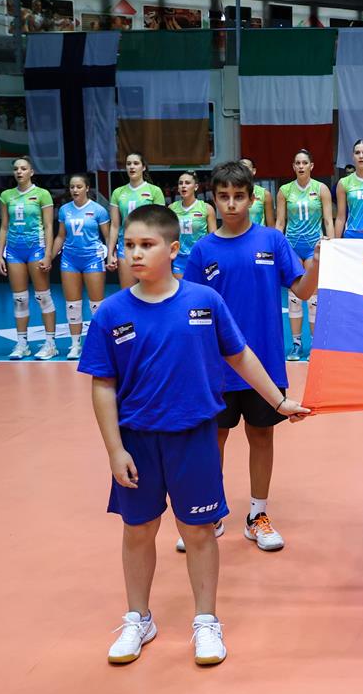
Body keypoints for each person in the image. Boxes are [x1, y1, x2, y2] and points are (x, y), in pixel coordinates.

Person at [80, 204, 308, 667]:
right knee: (138, 530)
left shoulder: (204, 301)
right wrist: (114, 449)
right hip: (138, 441)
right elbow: (102, 386)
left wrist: (278, 401)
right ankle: (138, 618)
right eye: (129, 245)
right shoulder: (112, 313)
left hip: (195, 437)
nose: (135, 254)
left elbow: (240, 355)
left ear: (173, 249)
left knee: (199, 531)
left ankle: (206, 621)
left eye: (147, 245)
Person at [183, 161, 320, 554]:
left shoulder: (272, 241)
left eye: (239, 196)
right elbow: (188, 308)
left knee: (261, 435)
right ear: (214, 199)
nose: (231, 204)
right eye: (224, 196)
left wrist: (316, 263)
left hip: (265, 364)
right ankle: (211, 512)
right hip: (216, 367)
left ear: (252, 198)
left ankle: (257, 516)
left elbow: (303, 291)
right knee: (214, 438)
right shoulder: (203, 250)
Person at [0, 157, 59, 360]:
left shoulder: (42, 194)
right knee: (19, 299)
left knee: (43, 297)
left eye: (23, 168)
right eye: (16, 169)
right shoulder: (6, 195)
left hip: (36, 249)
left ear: (31, 172)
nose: (19, 172)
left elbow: (49, 226)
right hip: (14, 250)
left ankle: (50, 344)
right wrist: (0, 254)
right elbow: (4, 226)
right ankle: (22, 344)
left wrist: (48, 254)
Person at [276, 149, 334, 361]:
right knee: (293, 298)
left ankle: (315, 346)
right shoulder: (284, 190)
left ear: (311, 166)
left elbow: (328, 220)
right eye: (297, 163)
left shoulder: (321, 189)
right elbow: (280, 222)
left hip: (313, 247)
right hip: (292, 247)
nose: (301, 166)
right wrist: (276, 247)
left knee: (313, 298)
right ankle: (296, 345)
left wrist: (331, 244)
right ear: (293, 167)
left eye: (304, 163)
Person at [50, 173, 110, 360]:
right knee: (72, 305)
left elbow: (108, 236)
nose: (75, 190)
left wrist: (111, 255)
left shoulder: (98, 210)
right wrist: (49, 257)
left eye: (78, 186)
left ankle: (99, 345)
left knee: (96, 306)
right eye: (72, 187)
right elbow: (61, 236)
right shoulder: (64, 210)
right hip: (70, 260)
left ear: (87, 188)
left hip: (92, 259)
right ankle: (75, 345)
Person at [108, 153, 165, 289]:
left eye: (136, 163)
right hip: (126, 246)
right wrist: (110, 253)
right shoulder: (118, 192)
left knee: (150, 292)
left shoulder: (154, 191)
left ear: (143, 167)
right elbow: (115, 225)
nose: (132, 167)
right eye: (128, 164)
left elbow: (161, 224)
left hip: (148, 246)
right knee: (128, 292)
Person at [168, 172, 216, 279]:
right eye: (180, 183)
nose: (183, 186)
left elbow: (213, 238)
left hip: (200, 257)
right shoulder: (171, 208)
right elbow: (167, 235)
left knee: (199, 288)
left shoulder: (206, 208)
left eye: (187, 183)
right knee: (182, 288)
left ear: (196, 187)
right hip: (179, 258)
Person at [238, 158, 275, 227]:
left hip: (259, 233)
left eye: (245, 167)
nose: (243, 171)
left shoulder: (264, 194)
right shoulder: (232, 194)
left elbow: (271, 226)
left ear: (254, 171)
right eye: (240, 168)